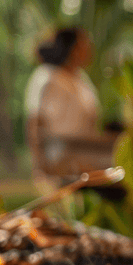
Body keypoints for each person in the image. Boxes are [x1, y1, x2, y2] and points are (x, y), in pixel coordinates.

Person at [25, 26, 101, 173]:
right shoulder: (47, 76)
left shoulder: (82, 80)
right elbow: (35, 121)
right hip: (58, 157)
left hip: (86, 157)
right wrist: (39, 165)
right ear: (71, 48)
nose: (89, 49)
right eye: (83, 45)